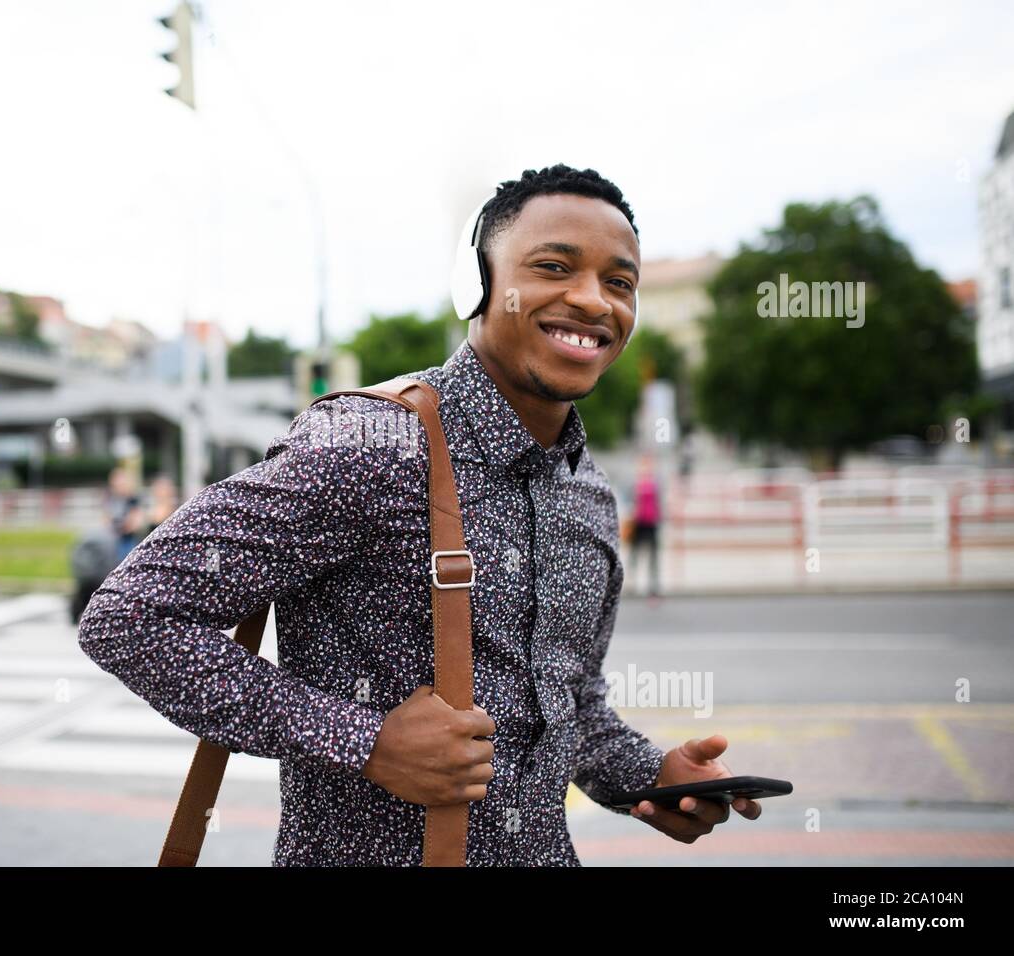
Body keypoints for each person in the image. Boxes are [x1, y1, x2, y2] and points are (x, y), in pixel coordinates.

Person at [77, 164, 761, 866]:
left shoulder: (585, 487)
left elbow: (568, 708)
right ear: (479, 284)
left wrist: (650, 775)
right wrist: (364, 742)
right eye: (554, 267)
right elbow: (130, 618)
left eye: (619, 283)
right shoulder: (368, 446)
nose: (592, 300)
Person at [628, 454, 663, 598]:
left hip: (651, 522)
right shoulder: (636, 482)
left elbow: (659, 503)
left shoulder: (655, 482)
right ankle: (632, 584)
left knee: (652, 557)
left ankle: (652, 585)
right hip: (639, 522)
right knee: (635, 555)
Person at [106, 466, 147, 563]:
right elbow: (107, 517)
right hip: (114, 537)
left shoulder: (132, 499)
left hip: (128, 538)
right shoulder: (111, 498)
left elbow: (135, 519)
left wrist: (124, 526)